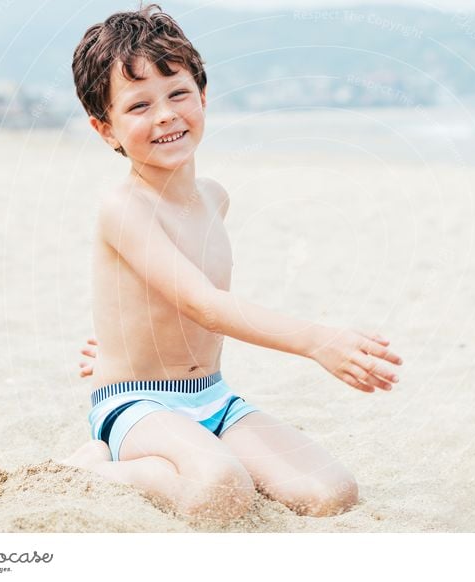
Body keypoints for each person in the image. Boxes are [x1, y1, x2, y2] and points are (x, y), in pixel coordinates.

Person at [63, 5, 404, 522]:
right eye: (138, 106)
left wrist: (112, 340)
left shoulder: (214, 198)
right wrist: (317, 340)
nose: (165, 115)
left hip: (213, 398)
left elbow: (150, 297)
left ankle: (199, 453)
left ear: (203, 97)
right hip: (136, 404)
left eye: (178, 93)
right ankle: (93, 467)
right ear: (105, 128)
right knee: (220, 489)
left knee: (331, 493)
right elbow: (205, 306)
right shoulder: (123, 207)